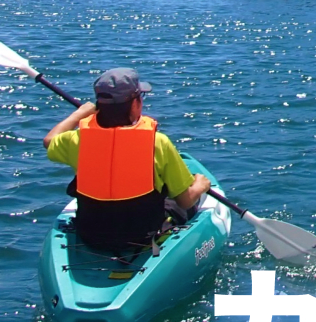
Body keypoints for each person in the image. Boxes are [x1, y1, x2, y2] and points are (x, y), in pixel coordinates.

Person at [43, 68, 210, 250]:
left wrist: (79, 113)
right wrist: (201, 185)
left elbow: (49, 141)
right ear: (135, 104)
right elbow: (185, 201)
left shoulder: (77, 140)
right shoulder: (157, 142)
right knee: (179, 201)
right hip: (143, 235)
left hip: (91, 233)